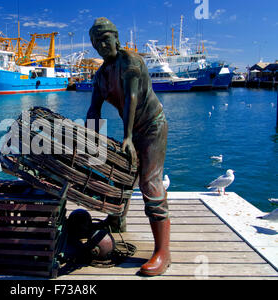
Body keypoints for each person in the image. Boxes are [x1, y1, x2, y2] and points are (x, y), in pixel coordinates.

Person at [86, 17, 170, 276]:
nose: (101, 45)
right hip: (130, 131)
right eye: (96, 43)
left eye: (104, 39)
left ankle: (163, 252)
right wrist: (90, 138)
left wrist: (128, 137)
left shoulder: (131, 61)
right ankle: (116, 220)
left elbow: (131, 98)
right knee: (119, 172)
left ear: (116, 37)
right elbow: (94, 108)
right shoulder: (100, 76)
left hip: (151, 127)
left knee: (149, 181)